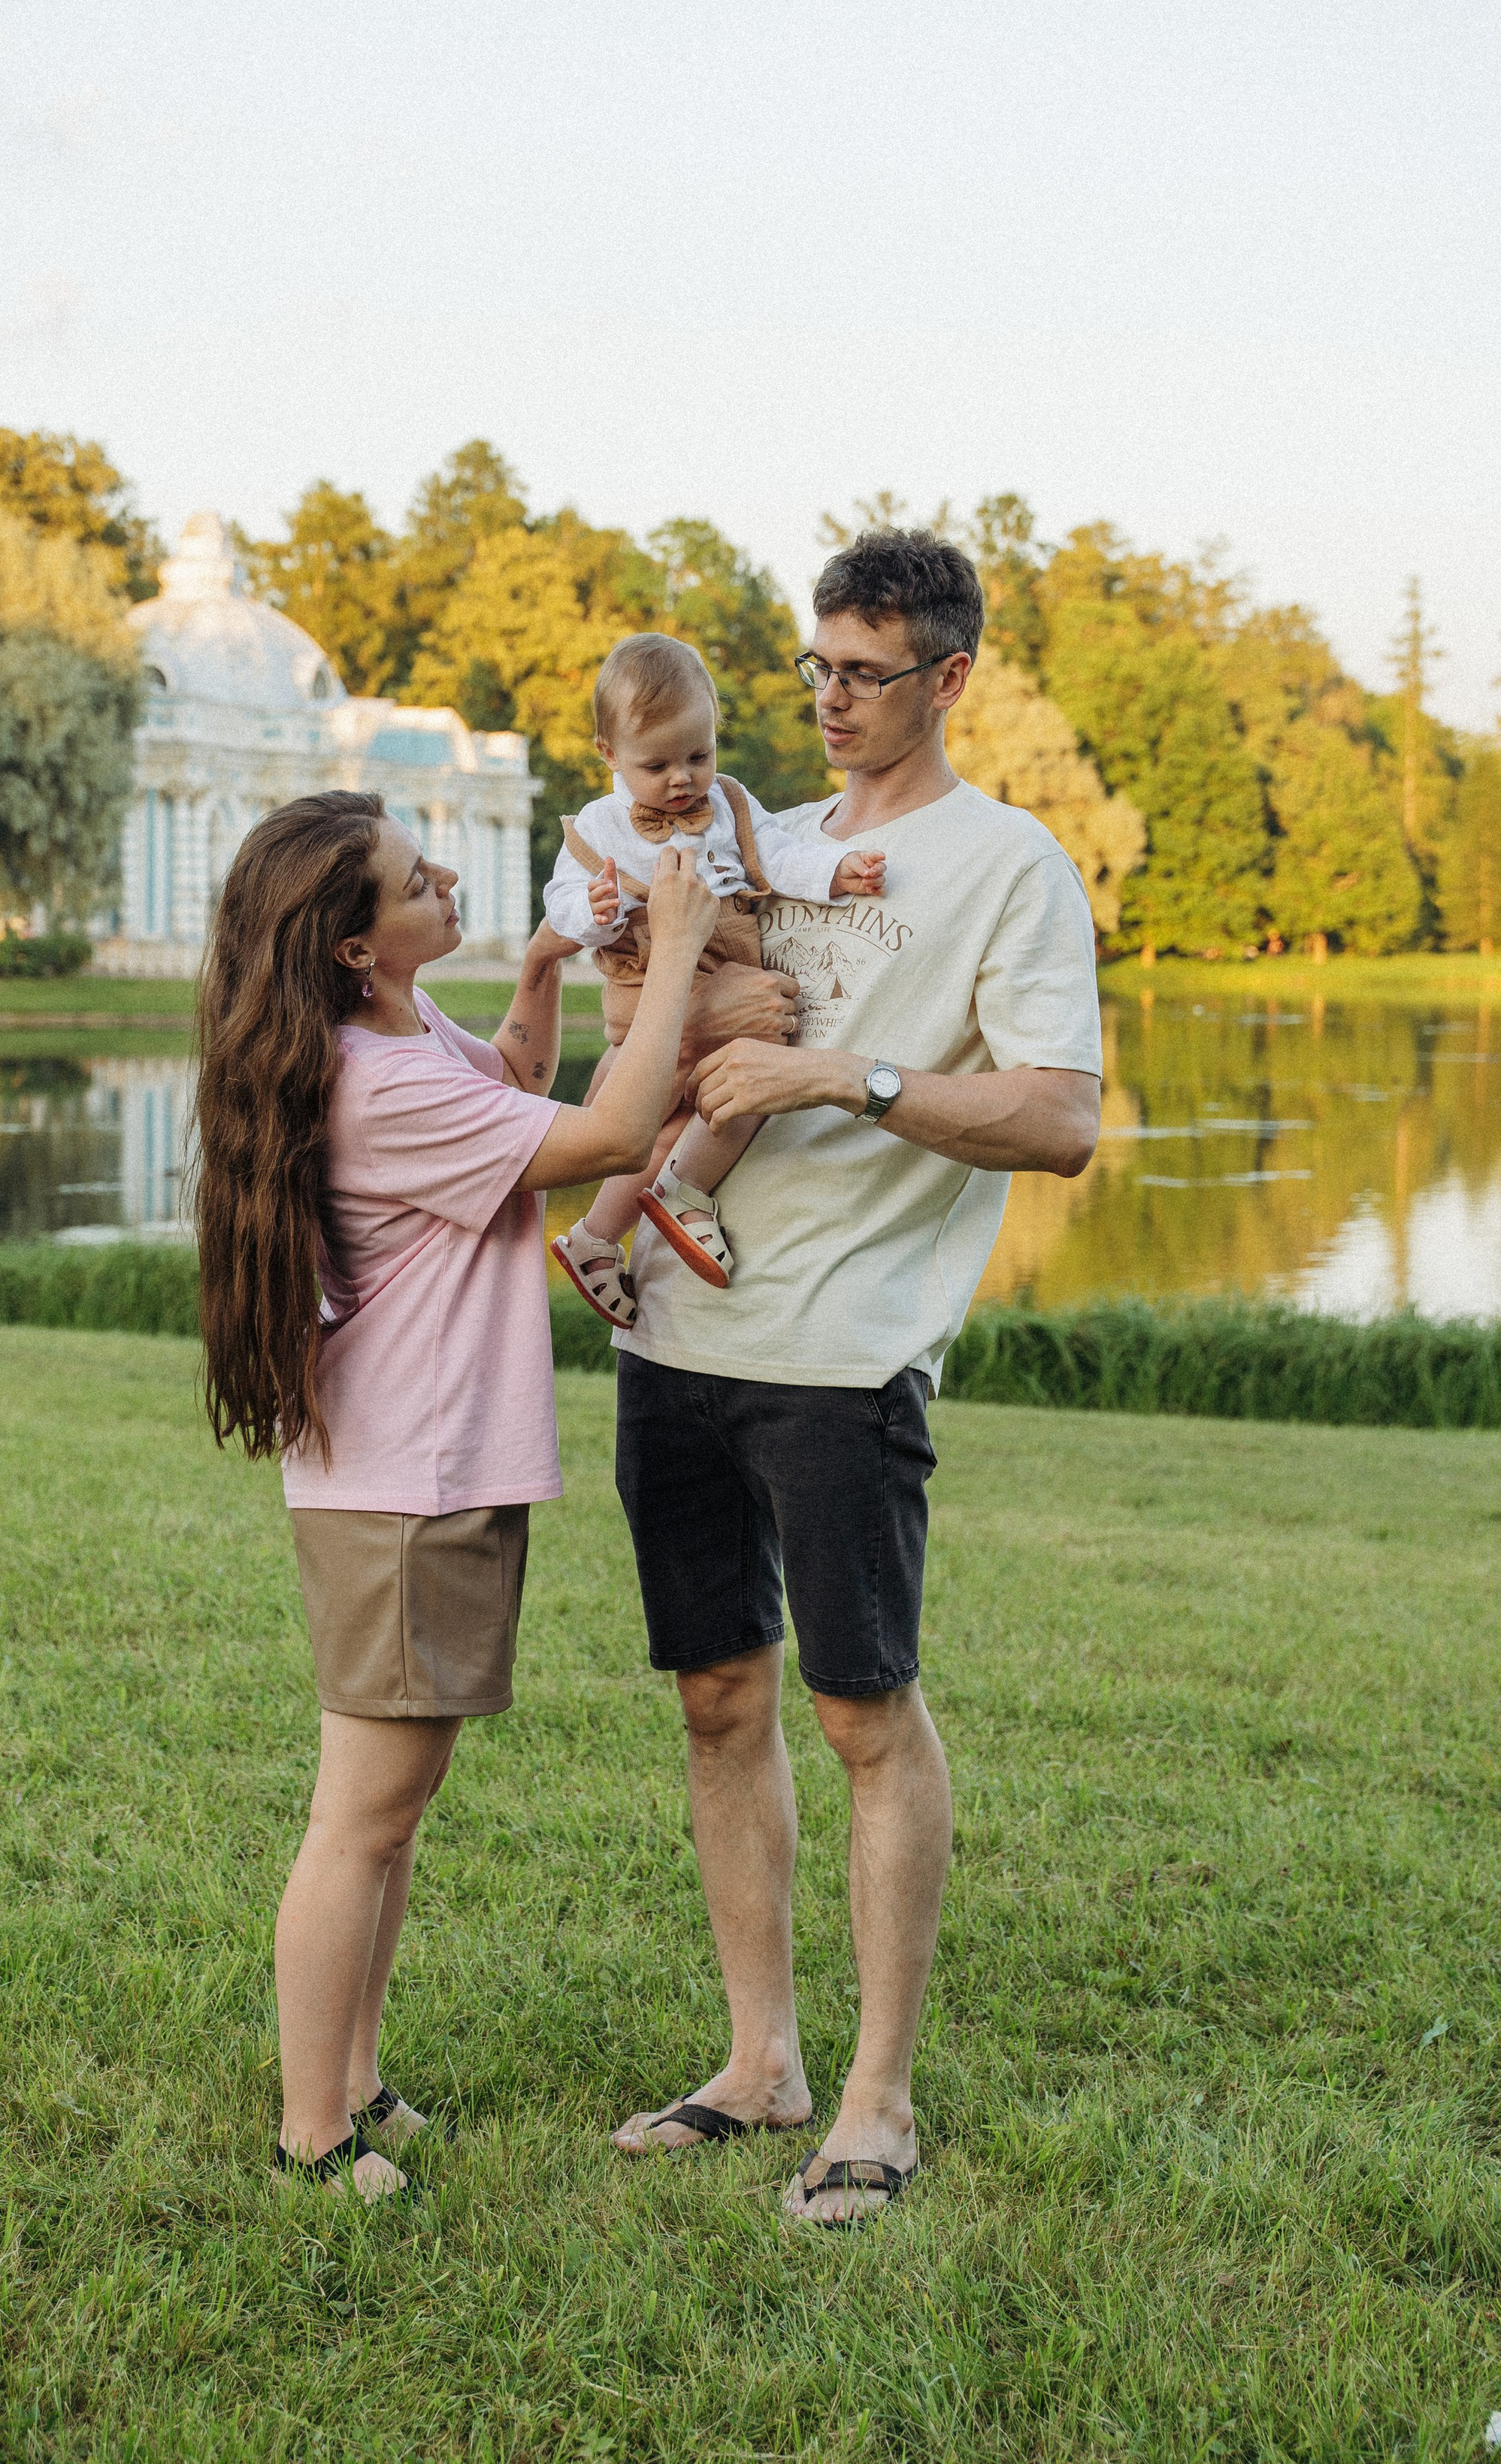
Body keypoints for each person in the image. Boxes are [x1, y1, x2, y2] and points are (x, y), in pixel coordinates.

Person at [607, 532, 1103, 2226]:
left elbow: (1057, 1119)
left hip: (841, 1353)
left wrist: (848, 1073)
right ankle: (761, 2065)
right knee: (713, 1697)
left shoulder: (1010, 865)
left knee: (858, 1710)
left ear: (948, 678)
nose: (825, 701)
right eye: (813, 667)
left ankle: (874, 2102)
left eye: (863, 673)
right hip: (673, 1338)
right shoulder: (769, 841)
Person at [194, 788, 720, 2201]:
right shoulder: (381, 1086)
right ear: (356, 947)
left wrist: (544, 972)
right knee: (361, 1812)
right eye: (410, 879)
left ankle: (360, 2081)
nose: (443, 880)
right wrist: (674, 952)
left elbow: (518, 1087)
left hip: (422, 1473)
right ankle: (314, 2133)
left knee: (398, 1801)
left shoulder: (398, 1036)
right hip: (409, 1489)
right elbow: (609, 1136)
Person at [544, 633, 885, 1324]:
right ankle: (652, 1208)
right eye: (657, 764)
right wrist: (595, 909)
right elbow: (560, 904)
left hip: (727, 959)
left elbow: (777, 856)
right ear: (608, 755)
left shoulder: (729, 802)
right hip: (651, 972)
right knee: (699, 1086)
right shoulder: (600, 826)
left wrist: (832, 872)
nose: (682, 779)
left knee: (720, 1094)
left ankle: (614, 1229)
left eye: (699, 756)